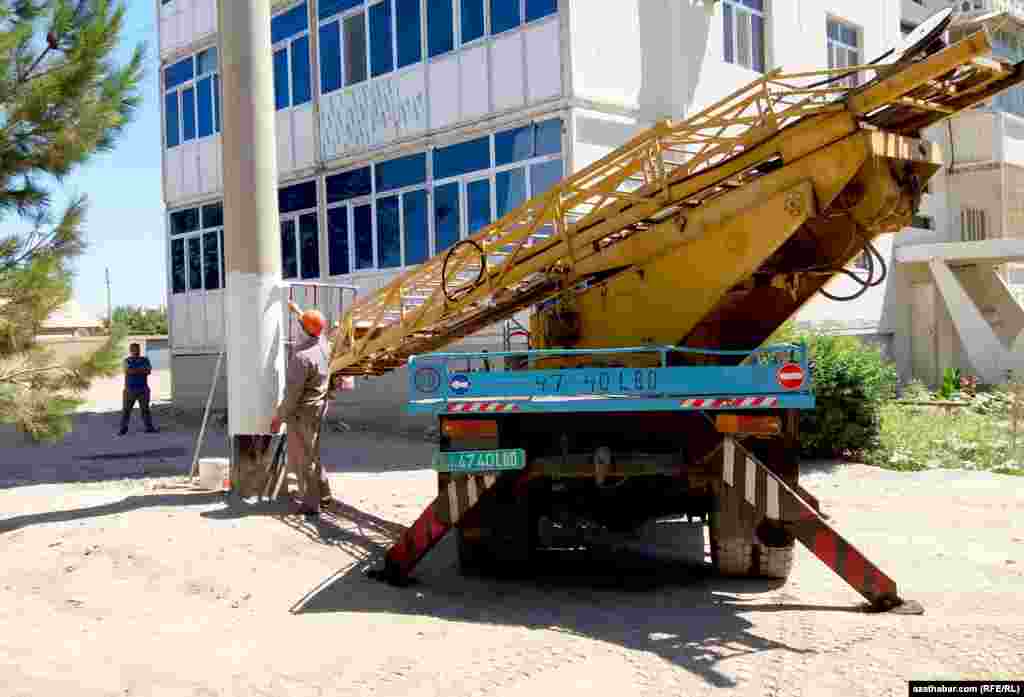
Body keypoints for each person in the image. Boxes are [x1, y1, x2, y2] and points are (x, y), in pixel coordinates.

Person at [270, 305, 334, 518]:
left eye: (300, 325)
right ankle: (324, 495)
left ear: (305, 330)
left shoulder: (301, 357)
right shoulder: (325, 346)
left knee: (304, 459)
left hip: (303, 413)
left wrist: (278, 418)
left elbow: (292, 396)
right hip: (319, 407)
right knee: (313, 452)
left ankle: (310, 504)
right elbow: (313, 327)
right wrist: (297, 311)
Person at [119, 342, 159, 436]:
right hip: (129, 390)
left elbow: (148, 371)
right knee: (126, 410)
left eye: (137, 348)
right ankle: (123, 429)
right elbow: (129, 371)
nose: (136, 350)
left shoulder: (145, 360)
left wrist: (136, 370)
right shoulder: (127, 360)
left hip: (143, 390)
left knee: (145, 410)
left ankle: (149, 427)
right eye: (133, 349)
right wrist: (141, 370)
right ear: (130, 350)